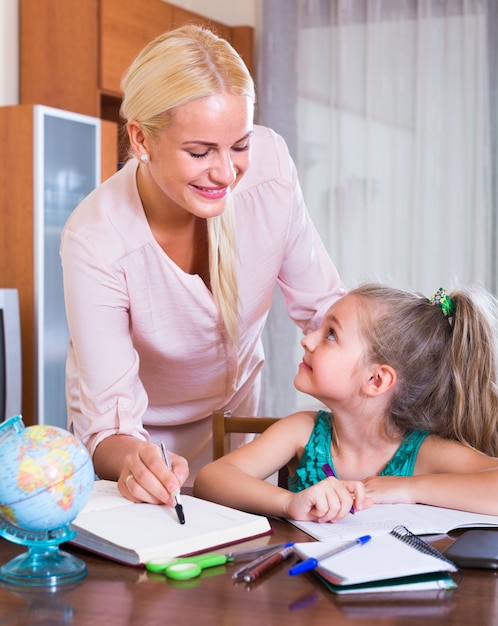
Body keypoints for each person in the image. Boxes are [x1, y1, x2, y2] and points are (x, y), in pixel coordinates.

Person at [59, 25, 345, 507]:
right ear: (141, 140)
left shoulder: (270, 169)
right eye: (199, 152)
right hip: (141, 444)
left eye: (239, 145)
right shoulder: (97, 239)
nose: (226, 173)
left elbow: (324, 308)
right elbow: (110, 423)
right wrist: (137, 462)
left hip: (238, 427)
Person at [194, 284, 498, 520]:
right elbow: (213, 479)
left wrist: (409, 489)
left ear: (376, 380)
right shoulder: (302, 432)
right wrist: (289, 505)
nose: (308, 340)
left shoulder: (422, 453)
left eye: (331, 334)